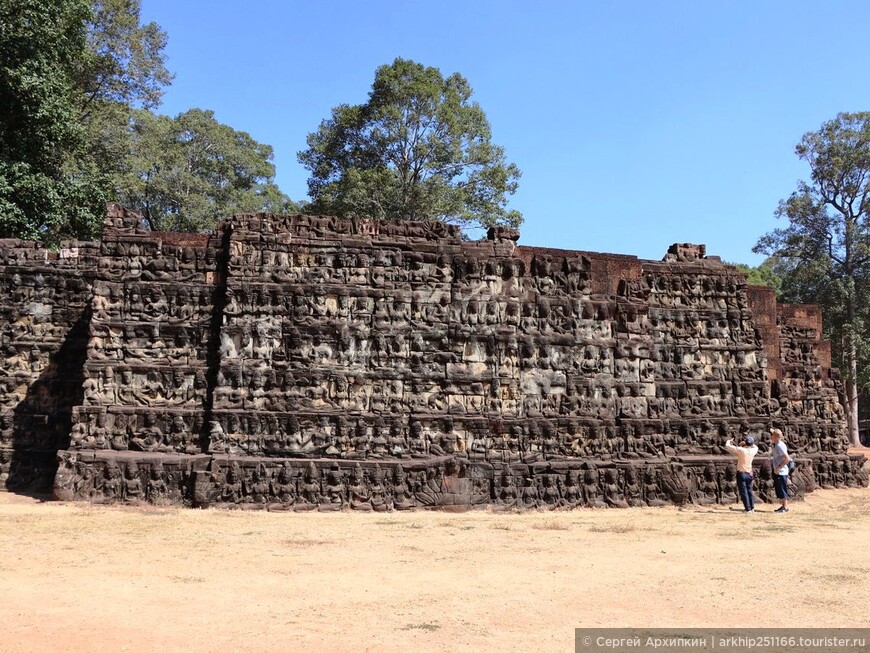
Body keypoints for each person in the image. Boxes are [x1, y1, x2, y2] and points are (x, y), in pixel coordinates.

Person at [725, 434, 758, 512]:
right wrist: (747, 444)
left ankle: (747, 508)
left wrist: (729, 441)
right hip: (749, 473)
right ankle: (752, 507)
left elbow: (727, 446)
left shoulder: (741, 450)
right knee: (750, 491)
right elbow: (756, 446)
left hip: (742, 473)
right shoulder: (753, 450)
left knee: (744, 491)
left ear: (745, 442)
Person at [769, 428, 791, 513]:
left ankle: (785, 507)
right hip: (778, 470)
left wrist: (779, 466)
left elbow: (787, 458)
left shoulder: (780, 445)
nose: (771, 436)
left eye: (772, 435)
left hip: (781, 471)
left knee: (782, 488)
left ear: (775, 437)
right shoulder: (776, 445)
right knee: (779, 488)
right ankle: (783, 506)